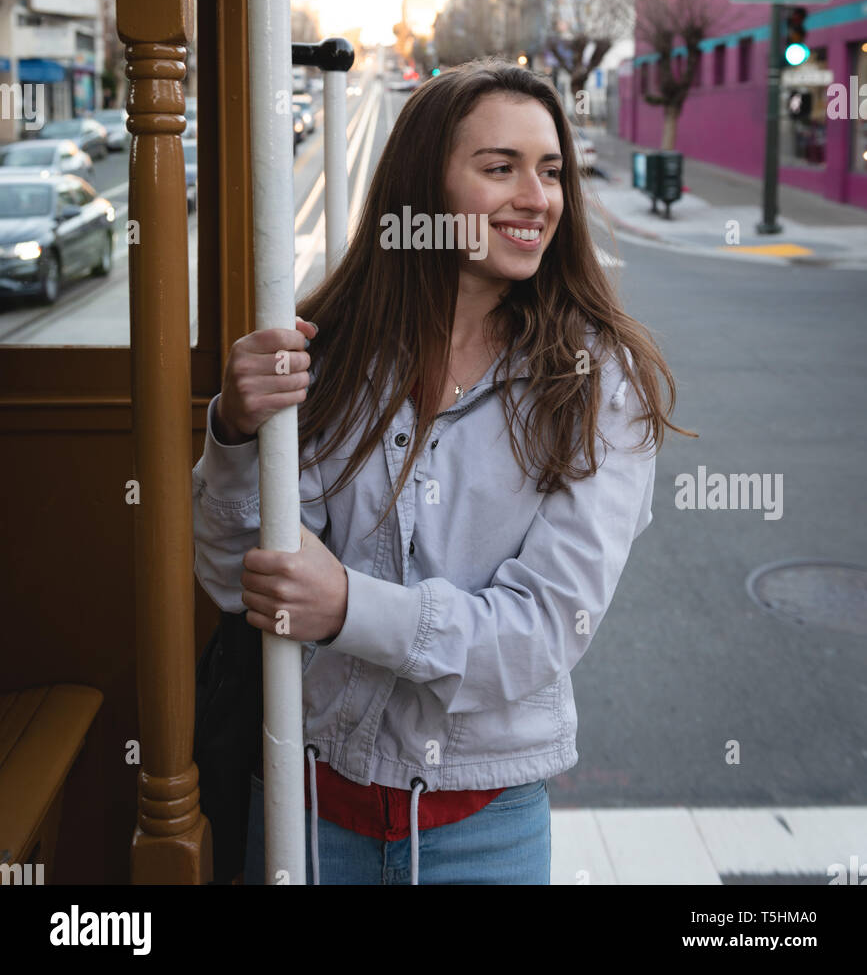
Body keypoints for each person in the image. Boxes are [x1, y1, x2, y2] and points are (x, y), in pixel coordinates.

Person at [192, 59, 691, 886]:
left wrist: (349, 608)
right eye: (499, 168)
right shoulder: (328, 354)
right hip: (301, 813)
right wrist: (235, 434)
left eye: (551, 170)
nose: (536, 197)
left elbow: (542, 633)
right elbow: (229, 578)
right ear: (423, 188)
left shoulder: (599, 382)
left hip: (483, 830)